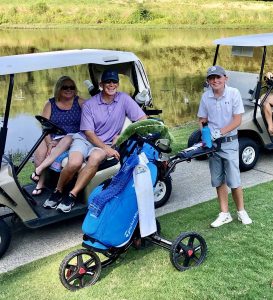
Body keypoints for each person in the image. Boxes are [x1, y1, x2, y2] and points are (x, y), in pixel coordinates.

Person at [43, 69, 147, 213]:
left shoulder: (124, 99)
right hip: (85, 140)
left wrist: (124, 135)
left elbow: (142, 119)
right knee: (74, 162)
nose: (111, 85)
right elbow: (89, 133)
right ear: (101, 84)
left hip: (104, 144)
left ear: (117, 84)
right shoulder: (89, 105)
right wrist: (107, 148)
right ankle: (58, 191)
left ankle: (72, 195)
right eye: (108, 82)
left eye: (114, 82)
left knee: (96, 157)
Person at [197, 65, 252, 227]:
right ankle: (224, 213)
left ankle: (241, 212)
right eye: (211, 78)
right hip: (213, 146)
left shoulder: (234, 93)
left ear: (225, 78)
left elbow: (237, 120)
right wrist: (205, 135)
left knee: (234, 181)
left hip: (229, 143)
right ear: (208, 81)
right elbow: (202, 120)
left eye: (218, 77)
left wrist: (219, 132)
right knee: (218, 180)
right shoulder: (206, 97)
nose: (215, 81)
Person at [31, 76, 85, 196]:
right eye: (65, 87)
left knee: (69, 138)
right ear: (59, 89)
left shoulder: (80, 102)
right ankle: (40, 182)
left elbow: (93, 115)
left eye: (71, 87)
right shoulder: (50, 104)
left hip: (74, 137)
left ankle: (41, 173)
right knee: (40, 150)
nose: (68, 89)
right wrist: (50, 143)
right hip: (54, 136)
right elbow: (45, 126)